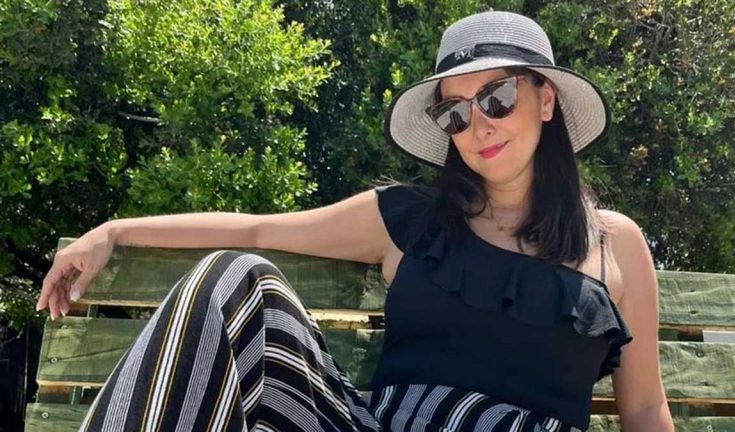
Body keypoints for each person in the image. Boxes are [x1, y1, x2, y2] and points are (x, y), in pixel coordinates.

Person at [36, 11, 674, 432]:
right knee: (238, 277)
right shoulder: (410, 220)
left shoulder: (614, 244)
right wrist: (114, 231)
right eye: (454, 112)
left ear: (545, 99)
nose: (477, 125)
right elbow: (256, 230)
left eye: (497, 97)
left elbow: (644, 406)